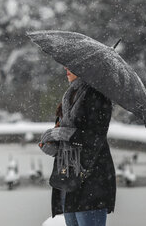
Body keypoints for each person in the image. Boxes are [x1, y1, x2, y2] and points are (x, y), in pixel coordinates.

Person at [38, 68, 116, 226]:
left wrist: (65, 134)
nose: (67, 69)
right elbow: (67, 138)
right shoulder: (70, 95)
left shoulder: (97, 95)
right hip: (69, 179)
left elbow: (95, 138)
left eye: (72, 66)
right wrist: (54, 148)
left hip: (91, 179)